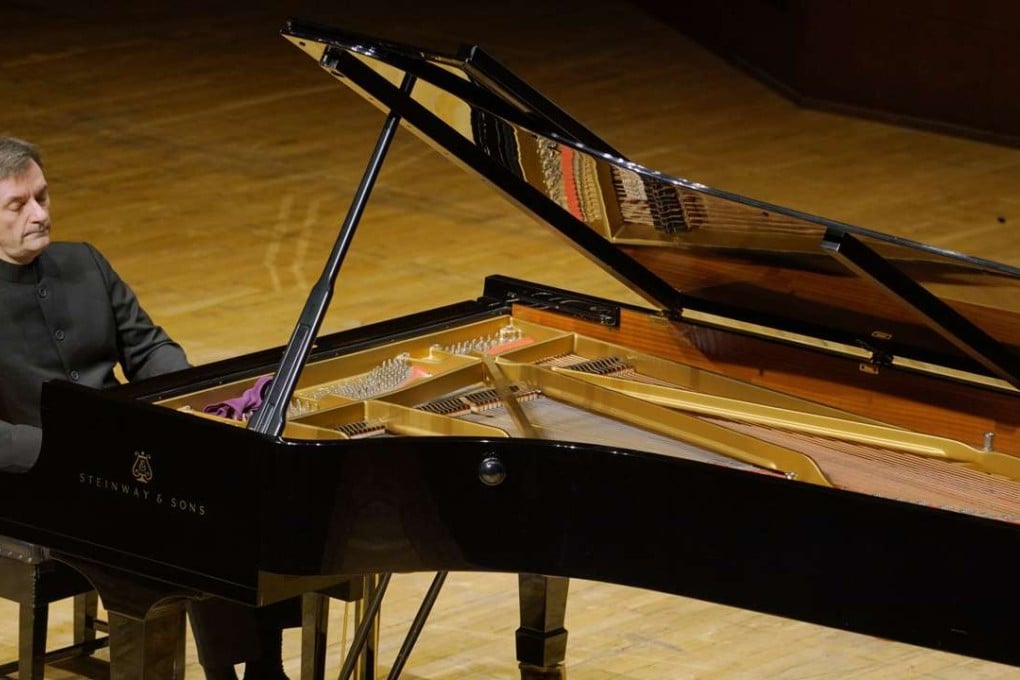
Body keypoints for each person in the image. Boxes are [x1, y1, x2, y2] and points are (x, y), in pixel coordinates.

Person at [0, 136, 296, 679]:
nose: (39, 214)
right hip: (28, 481)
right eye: (18, 206)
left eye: (43, 196)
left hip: (117, 451)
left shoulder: (83, 261)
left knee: (239, 486)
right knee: (167, 525)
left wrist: (181, 403)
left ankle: (257, 665)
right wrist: (68, 450)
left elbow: (149, 346)